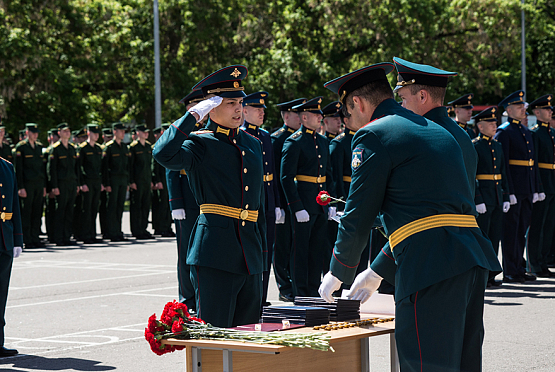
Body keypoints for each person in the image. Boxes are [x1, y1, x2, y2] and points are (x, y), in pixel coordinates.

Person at [318, 62, 501, 372]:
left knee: (425, 364)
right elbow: (428, 214)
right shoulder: (445, 133)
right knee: (464, 364)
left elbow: (358, 215)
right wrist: (377, 271)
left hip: (428, 265)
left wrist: (339, 270)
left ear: (358, 104)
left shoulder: (374, 135)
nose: (347, 123)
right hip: (470, 258)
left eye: (346, 115)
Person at [153, 65, 266, 327]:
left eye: (240, 102)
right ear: (211, 108)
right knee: (215, 331)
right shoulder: (199, 143)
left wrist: (261, 250)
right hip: (215, 253)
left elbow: (256, 203)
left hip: (250, 252)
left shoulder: (252, 144)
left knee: (249, 334)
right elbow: (162, 153)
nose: (239, 109)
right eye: (230, 103)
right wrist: (193, 115)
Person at [393, 57, 478, 197]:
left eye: (403, 99)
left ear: (422, 96)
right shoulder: (462, 134)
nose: (402, 106)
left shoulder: (419, 136)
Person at [281, 96, 334, 297]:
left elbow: (327, 175)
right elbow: (286, 178)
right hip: (303, 203)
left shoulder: (322, 140)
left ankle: (313, 289)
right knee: (300, 251)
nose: (320, 117)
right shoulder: (293, 142)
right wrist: (296, 206)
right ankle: (300, 292)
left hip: (319, 203)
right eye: (315, 114)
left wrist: (329, 201)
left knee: (317, 249)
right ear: (304, 117)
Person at [494, 90, 541, 283]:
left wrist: (536, 188)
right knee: (511, 232)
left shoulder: (524, 131)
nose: (524, 110)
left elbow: (532, 163)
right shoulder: (504, 132)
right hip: (514, 189)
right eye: (520, 107)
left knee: (521, 229)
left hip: (526, 188)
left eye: (524, 107)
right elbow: (503, 165)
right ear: (509, 109)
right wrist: (508, 192)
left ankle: (519, 267)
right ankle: (510, 270)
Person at [166, 90, 206, 312]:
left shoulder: (210, 129)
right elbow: (171, 170)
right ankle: (187, 298)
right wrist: (176, 203)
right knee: (186, 252)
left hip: (206, 198)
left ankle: (201, 297)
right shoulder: (182, 129)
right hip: (187, 199)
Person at [241, 91, 280, 308]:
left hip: (267, 198)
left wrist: (276, 204)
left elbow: (271, 173)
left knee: (267, 249)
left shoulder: (265, 136)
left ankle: (262, 297)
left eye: (263, 110)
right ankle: (252, 298)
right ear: (244, 111)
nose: (262, 113)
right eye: (257, 109)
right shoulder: (241, 134)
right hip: (252, 198)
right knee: (253, 249)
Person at [271, 98, 305, 302]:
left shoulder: (300, 138)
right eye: (295, 114)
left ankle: (295, 282)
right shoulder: (277, 139)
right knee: (282, 245)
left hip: (297, 198)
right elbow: (275, 174)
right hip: (282, 200)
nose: (300, 118)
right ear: (285, 116)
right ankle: (284, 286)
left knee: (295, 244)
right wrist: (277, 204)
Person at [472, 107, 510, 286]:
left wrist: (507, 196)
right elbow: (473, 176)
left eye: (495, 123)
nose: (495, 125)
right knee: (483, 238)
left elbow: (503, 173)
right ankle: (481, 276)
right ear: (480, 126)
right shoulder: (475, 146)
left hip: (496, 197)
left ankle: (491, 274)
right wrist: (478, 198)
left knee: (494, 238)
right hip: (484, 199)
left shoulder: (497, 146)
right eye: (490, 123)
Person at [527, 94, 555, 277]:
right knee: (537, 224)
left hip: (552, 180)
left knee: (549, 224)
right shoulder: (534, 133)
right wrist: (537, 187)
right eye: (546, 109)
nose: (550, 111)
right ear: (537, 112)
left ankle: (544, 260)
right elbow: (534, 163)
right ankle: (534, 263)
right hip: (543, 181)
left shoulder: (551, 133)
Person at [0, 156, 23, 357]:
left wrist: (17, 238)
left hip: (4, 237)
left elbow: (14, 205)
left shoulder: (7, 166)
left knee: (1, 294)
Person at [14, 123, 46, 249]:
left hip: (38, 183)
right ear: (27, 133)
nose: (35, 135)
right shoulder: (21, 147)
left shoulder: (39, 147)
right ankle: (26, 238)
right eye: (33, 132)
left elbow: (42, 168)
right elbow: (19, 169)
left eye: (36, 132)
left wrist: (44, 186)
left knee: (37, 212)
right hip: (27, 184)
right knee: (27, 212)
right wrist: (20, 187)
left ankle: (35, 237)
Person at [48, 123, 80, 246]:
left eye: (68, 131)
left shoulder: (72, 148)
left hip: (71, 183)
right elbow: (52, 169)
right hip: (61, 184)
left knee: (69, 211)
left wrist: (77, 183)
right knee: (60, 211)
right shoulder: (55, 149)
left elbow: (76, 168)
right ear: (59, 133)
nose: (67, 133)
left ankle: (67, 236)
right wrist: (54, 186)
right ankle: (58, 237)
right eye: (64, 131)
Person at [102, 122, 130, 242]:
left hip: (122, 180)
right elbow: (104, 168)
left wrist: (128, 182)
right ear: (115, 132)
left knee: (119, 207)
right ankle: (111, 232)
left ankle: (118, 231)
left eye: (124, 131)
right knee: (112, 207)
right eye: (121, 131)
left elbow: (127, 166)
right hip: (113, 180)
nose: (123, 133)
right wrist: (106, 183)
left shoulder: (124, 147)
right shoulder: (109, 147)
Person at [78, 124, 104, 244]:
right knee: (86, 209)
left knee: (94, 208)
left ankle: (92, 234)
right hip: (87, 182)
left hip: (96, 182)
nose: (97, 136)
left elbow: (101, 167)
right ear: (89, 134)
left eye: (98, 133)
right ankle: (85, 234)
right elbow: (79, 167)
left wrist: (102, 182)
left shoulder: (98, 149)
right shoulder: (83, 148)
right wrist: (82, 183)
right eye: (94, 133)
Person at [129, 124, 154, 240]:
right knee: (136, 206)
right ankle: (136, 229)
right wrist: (131, 181)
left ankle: (143, 229)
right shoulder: (133, 147)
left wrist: (151, 180)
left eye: (147, 132)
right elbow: (131, 166)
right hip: (137, 181)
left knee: (145, 205)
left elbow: (150, 166)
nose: (146, 134)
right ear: (138, 133)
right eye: (143, 132)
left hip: (146, 180)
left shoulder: (148, 147)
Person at [151, 124, 174, 237]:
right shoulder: (158, 146)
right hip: (161, 179)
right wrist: (157, 180)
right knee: (162, 205)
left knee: (168, 204)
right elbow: (154, 166)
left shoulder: (170, 145)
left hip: (168, 179)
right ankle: (161, 227)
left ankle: (167, 227)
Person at [99, 127, 114, 239]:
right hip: (105, 183)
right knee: (105, 208)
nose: (110, 138)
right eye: (107, 136)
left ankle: (113, 230)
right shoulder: (104, 149)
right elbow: (104, 168)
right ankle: (106, 230)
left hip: (111, 183)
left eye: (111, 136)